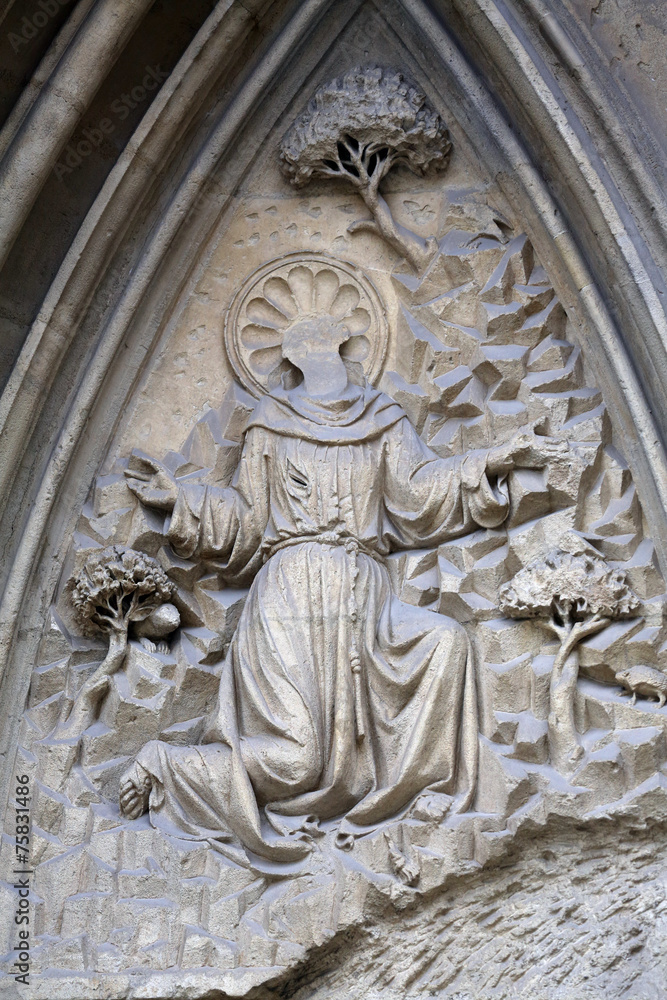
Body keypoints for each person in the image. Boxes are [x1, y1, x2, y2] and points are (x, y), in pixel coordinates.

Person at [120, 314, 566, 863]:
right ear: (290, 358)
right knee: (297, 761)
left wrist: (487, 461)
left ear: (343, 347)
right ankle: (169, 763)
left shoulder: (381, 418)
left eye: (321, 342)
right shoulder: (270, 422)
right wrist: (183, 501)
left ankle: (423, 800)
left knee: (444, 643)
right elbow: (249, 519)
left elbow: (417, 492)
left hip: (365, 596)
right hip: (289, 593)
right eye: (299, 346)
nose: (312, 353)